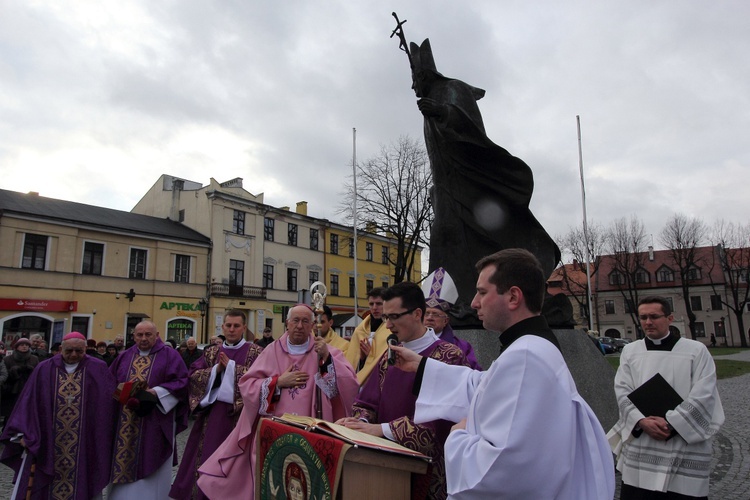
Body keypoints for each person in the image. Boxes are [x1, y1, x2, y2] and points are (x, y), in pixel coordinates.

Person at [392, 249, 614, 498]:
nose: (474, 302)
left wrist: (458, 436)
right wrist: (422, 366)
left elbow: (500, 469)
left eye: (482, 292)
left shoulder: (526, 357)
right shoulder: (531, 346)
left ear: (513, 297)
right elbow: (483, 384)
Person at [406, 37, 560, 325]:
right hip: (445, 188)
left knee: (465, 237)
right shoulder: (428, 102)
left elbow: (471, 127)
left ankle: (471, 302)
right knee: (443, 238)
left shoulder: (451, 89)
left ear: (425, 74)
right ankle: (446, 306)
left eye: (416, 79)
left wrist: (443, 112)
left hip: (470, 184)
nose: (414, 87)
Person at [197, 304, 359, 499]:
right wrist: (277, 383)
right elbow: (247, 386)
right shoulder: (271, 351)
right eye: (295, 321)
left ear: (312, 325)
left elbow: (345, 388)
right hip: (274, 432)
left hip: (312, 432)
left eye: (305, 321)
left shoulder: (324, 351)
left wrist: (326, 357)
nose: (300, 326)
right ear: (287, 324)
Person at [338, 282, 468, 499]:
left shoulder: (449, 356)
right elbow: (366, 403)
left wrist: (383, 429)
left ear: (417, 313)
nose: (387, 325)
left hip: (429, 474)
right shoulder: (390, 356)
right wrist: (361, 423)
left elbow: (443, 421)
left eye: (394, 317)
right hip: (384, 468)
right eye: (385, 318)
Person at [607, 296, 724, 499]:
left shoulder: (696, 351)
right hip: (643, 442)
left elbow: (704, 392)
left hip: (681, 443)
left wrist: (672, 423)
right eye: (643, 317)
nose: (648, 322)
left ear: (669, 318)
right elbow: (622, 390)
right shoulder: (630, 351)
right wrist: (641, 421)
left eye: (654, 316)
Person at [0, 332, 116, 499]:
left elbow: (107, 406)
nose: (74, 354)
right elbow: (28, 403)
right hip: (47, 439)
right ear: (61, 349)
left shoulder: (98, 368)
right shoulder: (44, 368)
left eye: (79, 351)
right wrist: (23, 434)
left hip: (85, 442)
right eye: (69, 350)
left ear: (85, 349)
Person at [170, 310, 264, 500]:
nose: (231, 329)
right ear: (222, 327)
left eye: (236, 326)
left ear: (244, 328)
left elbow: (261, 379)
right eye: (228, 325)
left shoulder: (256, 352)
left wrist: (231, 367)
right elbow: (194, 377)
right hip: (212, 417)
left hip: (242, 418)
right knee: (206, 457)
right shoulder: (211, 351)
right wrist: (216, 370)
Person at [108, 321, 189, 499]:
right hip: (125, 422)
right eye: (139, 335)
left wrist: (156, 392)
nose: (143, 338)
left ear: (157, 334)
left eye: (148, 334)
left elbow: (182, 382)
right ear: (134, 336)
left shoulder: (170, 355)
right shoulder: (124, 356)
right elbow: (109, 382)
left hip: (155, 420)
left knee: (152, 462)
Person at [421, 267, 482, 370]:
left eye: (435, 314)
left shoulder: (462, 347)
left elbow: (473, 373)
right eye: (426, 314)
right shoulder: (411, 342)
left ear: (446, 320)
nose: (430, 318)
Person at [345, 288, 391, 385]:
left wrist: (370, 355)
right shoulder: (360, 330)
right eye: (371, 304)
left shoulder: (391, 329)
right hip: (362, 384)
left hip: (383, 381)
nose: (374, 308)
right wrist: (362, 358)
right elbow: (352, 362)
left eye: (379, 304)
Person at [2, 339, 39, 424]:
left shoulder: (34, 359)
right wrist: (13, 372)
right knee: (10, 414)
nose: (24, 346)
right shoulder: (8, 359)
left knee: (27, 413)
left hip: (28, 389)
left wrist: (31, 372)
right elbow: (4, 375)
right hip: (11, 391)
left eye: (26, 345)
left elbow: (38, 374)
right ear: (17, 346)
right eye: (22, 345)